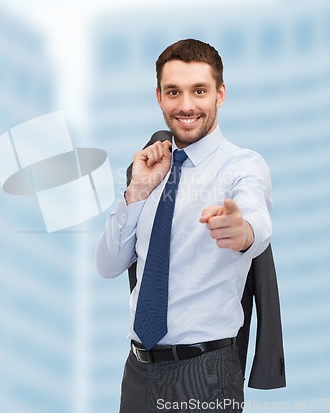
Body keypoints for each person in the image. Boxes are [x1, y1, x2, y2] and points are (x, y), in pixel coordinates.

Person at [95, 39, 273, 413]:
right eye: (174, 92)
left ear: (220, 94)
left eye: (199, 91)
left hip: (205, 372)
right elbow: (108, 264)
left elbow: (255, 216)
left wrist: (243, 232)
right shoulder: (149, 170)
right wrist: (138, 190)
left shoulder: (241, 166)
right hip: (139, 371)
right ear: (159, 97)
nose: (187, 105)